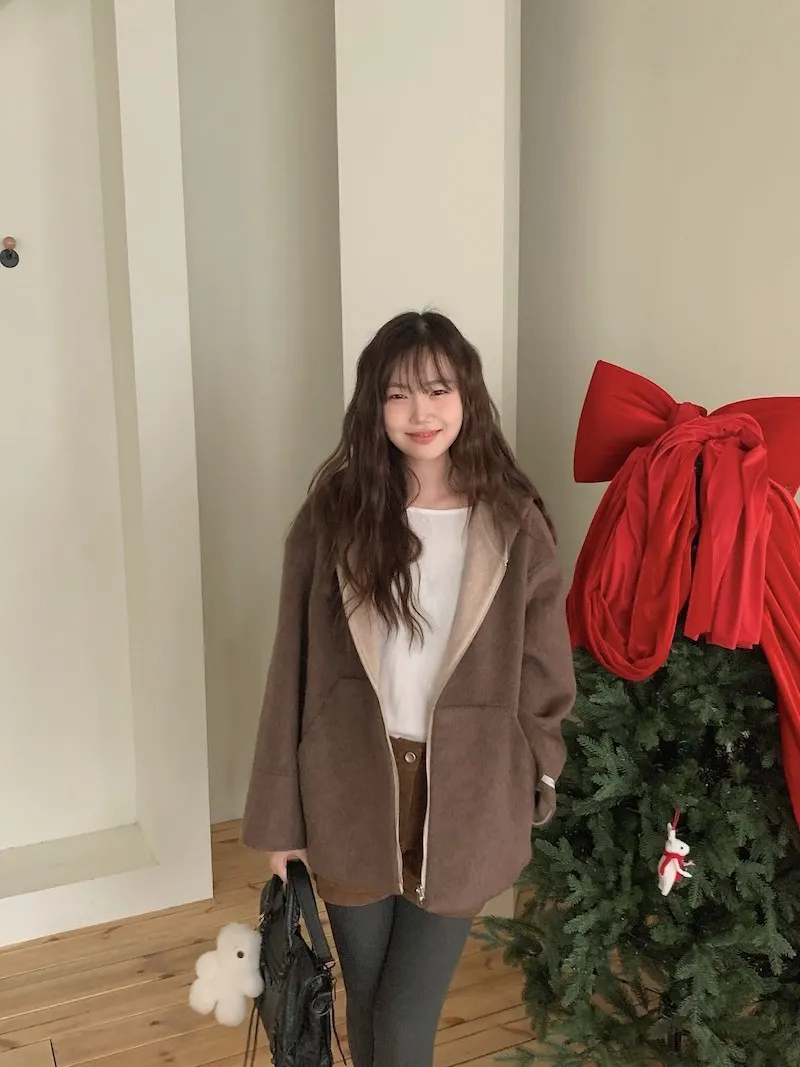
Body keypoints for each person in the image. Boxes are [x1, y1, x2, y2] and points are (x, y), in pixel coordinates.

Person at [242, 310, 576, 1067]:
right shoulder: (333, 517)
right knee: (366, 1000)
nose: (420, 412)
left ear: (468, 397)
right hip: (348, 784)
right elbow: (290, 669)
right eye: (398, 394)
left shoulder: (515, 523)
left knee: (402, 1018)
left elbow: (546, 671)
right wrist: (281, 818)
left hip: (469, 793)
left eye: (438, 389)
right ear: (373, 405)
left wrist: (535, 774)